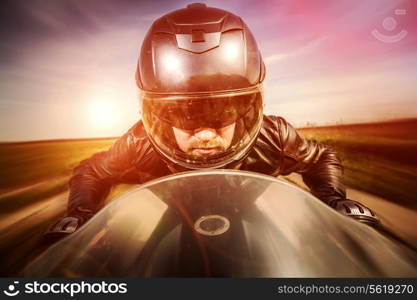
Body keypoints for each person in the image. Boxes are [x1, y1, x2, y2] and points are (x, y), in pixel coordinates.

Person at [46, 3, 378, 238]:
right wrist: (80, 216)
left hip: (248, 212)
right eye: (184, 115)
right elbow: (92, 170)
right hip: (176, 216)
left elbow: (321, 158)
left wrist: (335, 200)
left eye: (223, 113)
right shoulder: (140, 142)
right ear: (158, 115)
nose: (205, 132)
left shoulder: (274, 134)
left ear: (249, 108)